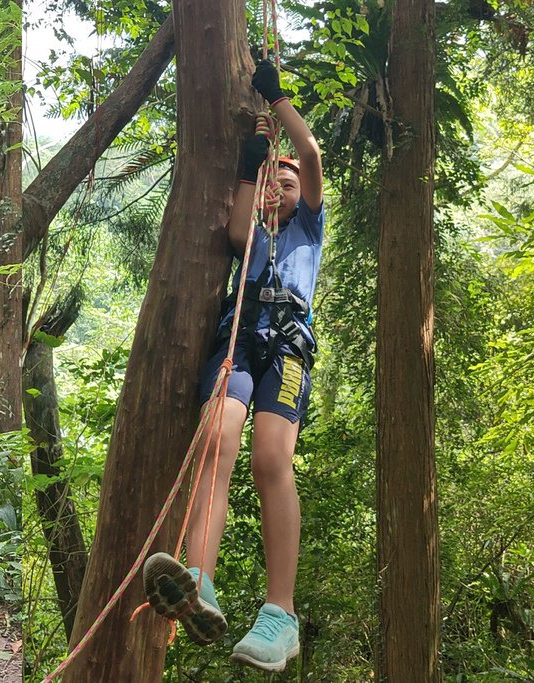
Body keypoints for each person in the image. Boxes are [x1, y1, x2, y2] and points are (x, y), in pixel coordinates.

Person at [142, 59, 324, 673]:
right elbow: (240, 221)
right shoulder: (255, 232)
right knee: (215, 440)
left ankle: (281, 613)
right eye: (275, 181)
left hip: (287, 341)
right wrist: (252, 163)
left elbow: (310, 152)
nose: (281, 186)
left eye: (288, 182)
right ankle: (199, 581)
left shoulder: (308, 228)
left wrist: (279, 103)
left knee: (271, 457)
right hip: (240, 336)